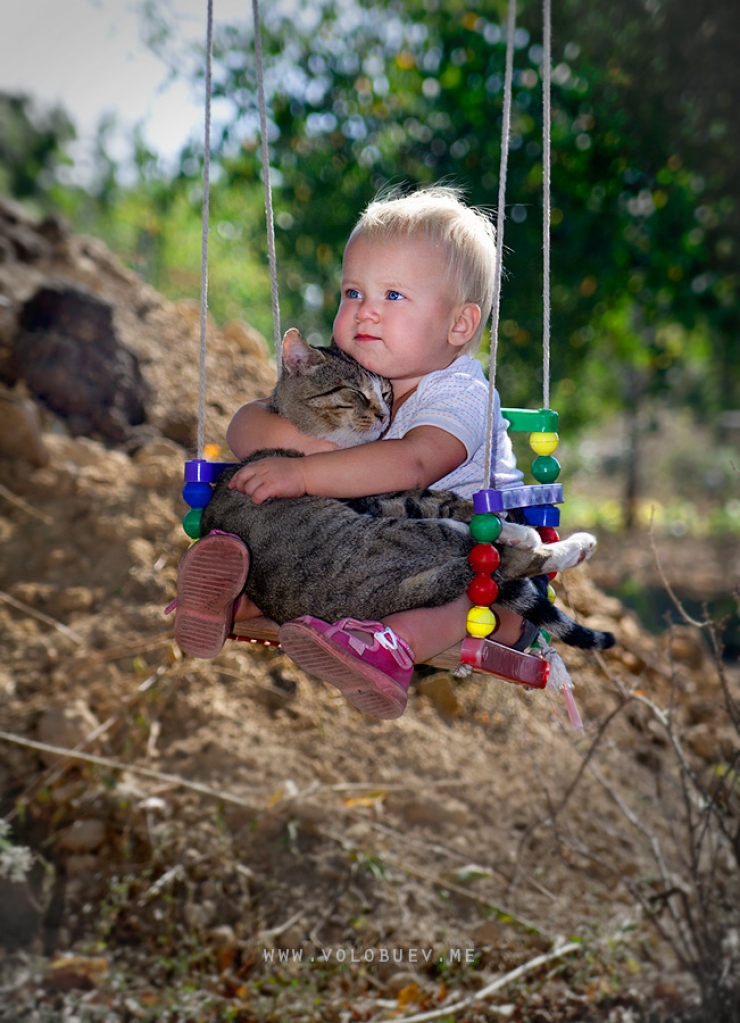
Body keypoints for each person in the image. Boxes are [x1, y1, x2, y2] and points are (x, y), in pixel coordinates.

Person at [175, 185, 532, 719]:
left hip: (478, 547)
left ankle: (389, 648)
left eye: (392, 296)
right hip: (371, 548)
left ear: (459, 324)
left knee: (470, 593)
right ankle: (236, 595)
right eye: (352, 293)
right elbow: (248, 423)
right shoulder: (356, 373)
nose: (364, 312)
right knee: (272, 509)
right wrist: (299, 453)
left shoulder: (461, 393)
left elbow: (413, 463)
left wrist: (304, 474)